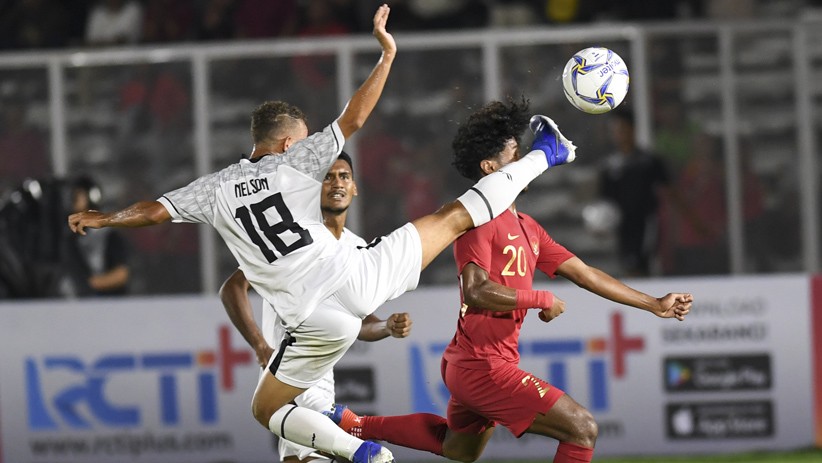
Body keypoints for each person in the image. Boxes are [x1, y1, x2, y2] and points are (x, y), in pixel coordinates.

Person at [67, 5, 577, 463]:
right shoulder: (299, 158)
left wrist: (104, 218)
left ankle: (362, 452)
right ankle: (546, 153)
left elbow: (153, 211)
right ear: (290, 140)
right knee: (453, 217)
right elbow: (355, 115)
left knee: (267, 409)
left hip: (313, 319)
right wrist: (387, 55)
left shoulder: (214, 189)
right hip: (358, 274)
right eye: (305, 137)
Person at [324, 99, 693, 463]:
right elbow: (476, 289)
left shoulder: (528, 227)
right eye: (515, 157)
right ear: (490, 167)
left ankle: (356, 425)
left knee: (457, 448)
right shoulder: (477, 221)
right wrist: (540, 299)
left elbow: (586, 274)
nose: (524, 165)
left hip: (476, 362)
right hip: (481, 366)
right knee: (582, 428)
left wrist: (654, 303)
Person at [220, 152, 413, 463]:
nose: (336, 183)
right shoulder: (291, 240)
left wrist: (386, 327)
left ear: (354, 187)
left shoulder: (357, 247)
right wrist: (260, 345)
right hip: (288, 373)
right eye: (327, 177)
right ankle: (366, 453)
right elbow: (233, 287)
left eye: (344, 176)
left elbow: (360, 323)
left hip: (319, 379)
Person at [598, 109, 672, 277]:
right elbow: (605, 202)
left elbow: (670, 192)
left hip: (645, 224)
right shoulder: (609, 165)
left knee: (641, 266)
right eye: (615, 131)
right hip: (622, 227)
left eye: (622, 129)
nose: (619, 135)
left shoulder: (649, 162)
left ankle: (645, 301)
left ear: (633, 129)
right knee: (628, 266)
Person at [63, 175, 131, 296]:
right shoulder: (70, 238)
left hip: (109, 302)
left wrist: (90, 284)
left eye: (78, 194)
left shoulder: (109, 235)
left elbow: (121, 274)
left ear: (92, 196)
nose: (72, 199)